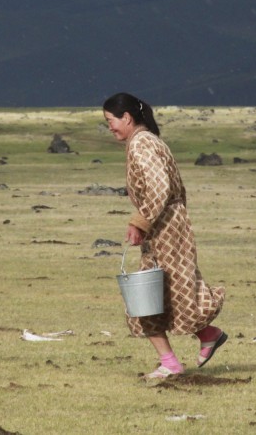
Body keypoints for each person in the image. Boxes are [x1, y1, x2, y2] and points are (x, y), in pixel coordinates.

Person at [102, 92, 227, 379]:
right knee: (161, 292)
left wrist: (139, 222)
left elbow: (160, 188)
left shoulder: (142, 144)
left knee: (148, 294)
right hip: (165, 225)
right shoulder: (145, 141)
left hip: (166, 227)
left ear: (127, 118)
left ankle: (174, 359)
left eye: (111, 120)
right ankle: (204, 337)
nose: (110, 127)